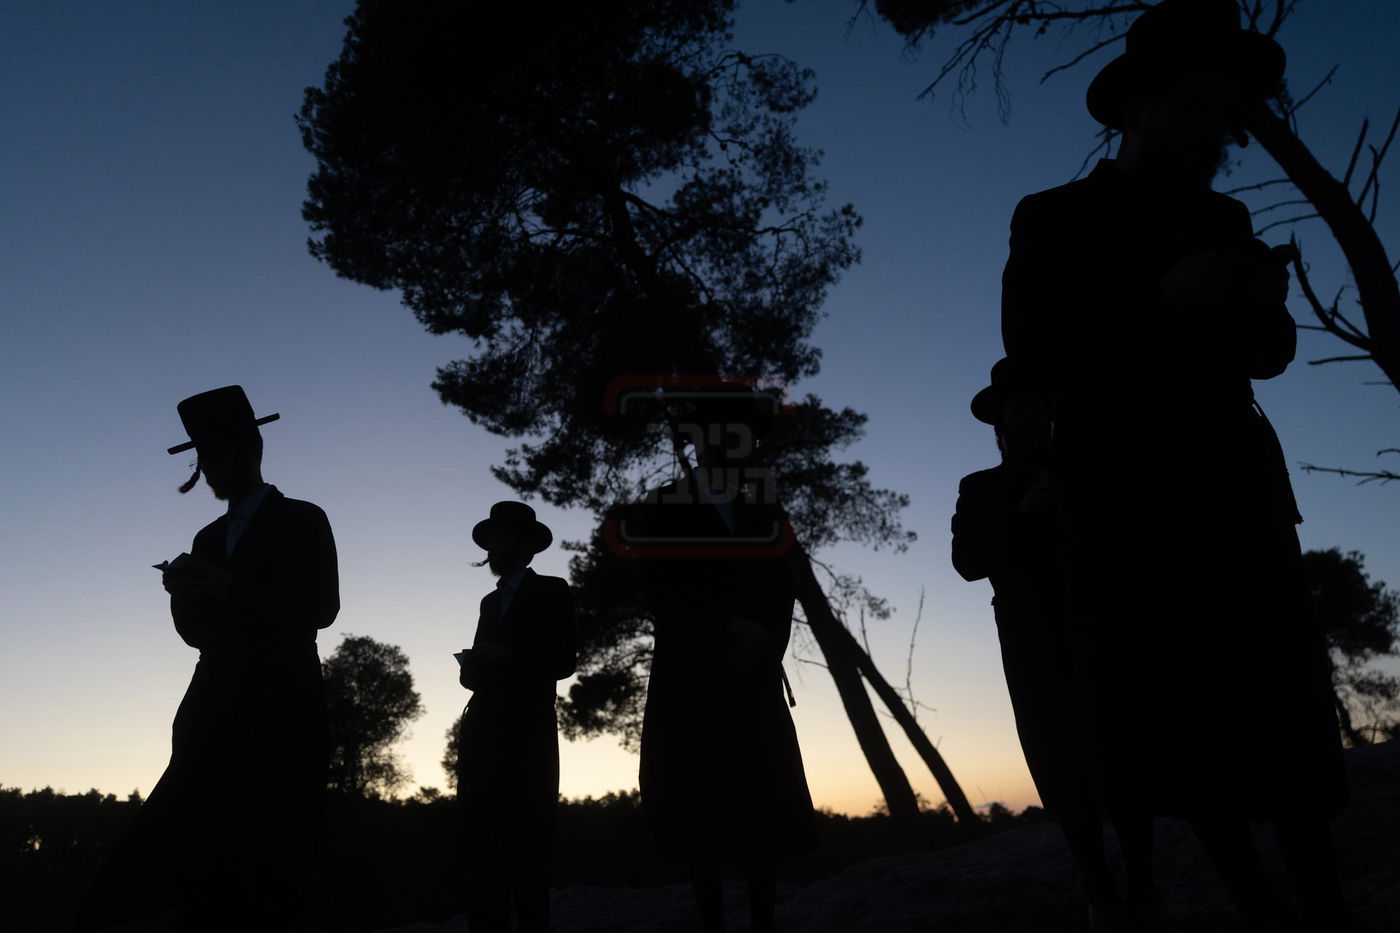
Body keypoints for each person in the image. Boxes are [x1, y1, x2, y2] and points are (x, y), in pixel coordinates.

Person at [1000, 1, 1349, 929]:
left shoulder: (1223, 214)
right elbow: (1036, 353)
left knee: (1286, 716)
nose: (1216, 129)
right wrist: (1159, 301)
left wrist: (1261, 307)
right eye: (1196, 107)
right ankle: (1259, 905)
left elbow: (1266, 355)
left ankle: (1320, 906)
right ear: (1140, 109)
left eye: (1223, 111)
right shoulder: (1053, 220)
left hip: (1235, 491)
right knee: (1177, 724)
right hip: (1127, 507)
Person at [74, 385, 339, 932]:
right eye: (202, 456)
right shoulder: (206, 536)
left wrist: (229, 590)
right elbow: (198, 637)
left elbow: (321, 608)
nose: (210, 467)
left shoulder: (305, 520)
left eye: (217, 454)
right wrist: (182, 594)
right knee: (182, 858)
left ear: (250, 450)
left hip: (283, 712)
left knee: (271, 868)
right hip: (210, 713)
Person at [952, 358, 1153, 932]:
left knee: (1124, 759)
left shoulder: (1091, 476)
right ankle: (1098, 887)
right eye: (1020, 409)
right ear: (1001, 422)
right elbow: (968, 562)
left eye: (1040, 407)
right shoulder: (981, 489)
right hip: (1033, 646)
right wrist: (1021, 517)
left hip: (1106, 635)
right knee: (1060, 764)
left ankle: (1142, 886)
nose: (1032, 417)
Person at [619, 386, 815, 933]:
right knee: (696, 805)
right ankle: (710, 920)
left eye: (741, 438)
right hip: (691, 676)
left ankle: (762, 920)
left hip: (752, 673)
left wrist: (765, 639)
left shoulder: (765, 508)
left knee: (761, 804)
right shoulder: (662, 507)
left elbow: (785, 583)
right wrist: (726, 625)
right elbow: (660, 586)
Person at [456, 500, 575, 933]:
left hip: (527, 735)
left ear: (526, 548)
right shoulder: (489, 602)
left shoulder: (553, 591)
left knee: (528, 844)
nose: (494, 549)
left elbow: (564, 660)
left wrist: (507, 655)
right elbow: (479, 673)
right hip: (483, 731)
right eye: (492, 541)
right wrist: (471, 668)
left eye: (502, 540)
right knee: (481, 843)